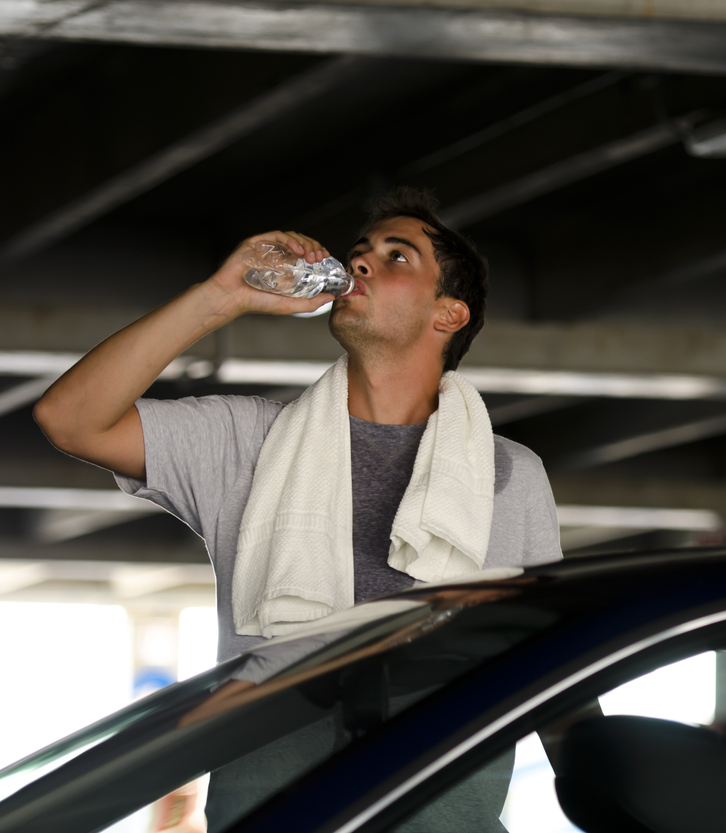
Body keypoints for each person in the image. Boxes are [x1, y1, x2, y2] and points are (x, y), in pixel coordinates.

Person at [33, 187, 565, 828]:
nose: (362, 262)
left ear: (448, 314)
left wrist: (604, 790)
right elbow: (69, 420)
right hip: (274, 809)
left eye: (398, 257)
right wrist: (222, 295)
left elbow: (551, 655)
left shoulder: (512, 475)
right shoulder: (245, 442)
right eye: (360, 252)